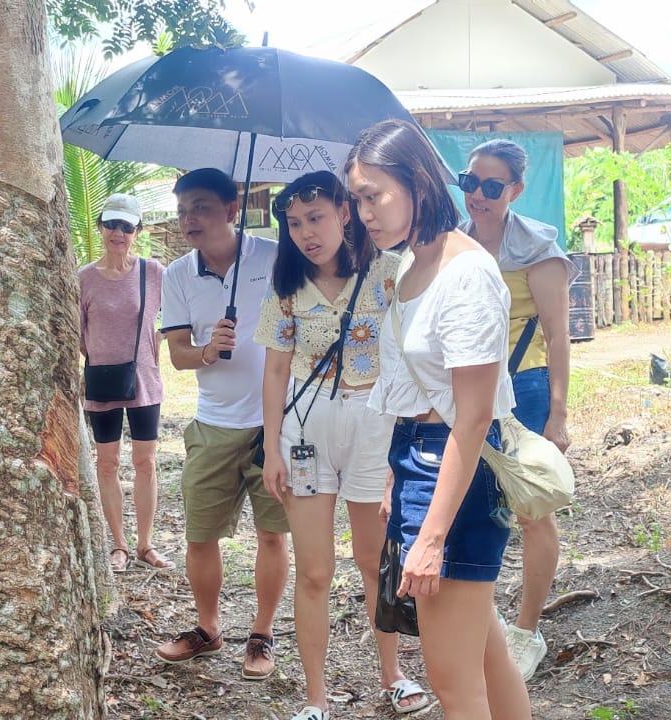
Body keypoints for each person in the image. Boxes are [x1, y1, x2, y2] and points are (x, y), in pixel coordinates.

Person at [350, 119, 532, 719]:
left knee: (452, 681)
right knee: (484, 652)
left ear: (416, 183)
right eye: (357, 198)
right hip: (418, 459)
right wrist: (392, 480)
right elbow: (413, 388)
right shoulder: (408, 265)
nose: (363, 213)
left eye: (373, 196)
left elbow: (474, 418)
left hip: (456, 467)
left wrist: (428, 538)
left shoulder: (467, 273)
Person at [252, 171, 427, 720]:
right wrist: (273, 451)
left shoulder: (387, 272)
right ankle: (315, 698)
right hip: (305, 432)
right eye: (296, 223)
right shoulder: (285, 288)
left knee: (375, 559)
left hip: (374, 423)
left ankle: (393, 675)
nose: (308, 233)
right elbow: (275, 372)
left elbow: (412, 351)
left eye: (318, 217)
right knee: (314, 570)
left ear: (345, 214)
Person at [156, 167, 290, 681]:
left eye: (201, 208)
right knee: (200, 535)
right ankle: (208, 629)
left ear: (232, 211)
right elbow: (178, 355)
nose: (188, 218)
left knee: (273, 535)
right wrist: (208, 351)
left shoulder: (274, 255)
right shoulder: (177, 275)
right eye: (183, 208)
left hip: (275, 424)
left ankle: (262, 633)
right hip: (213, 424)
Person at [458, 139, 578, 681]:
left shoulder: (538, 250)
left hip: (523, 386)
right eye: (471, 183)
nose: (478, 196)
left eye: (491, 187)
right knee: (466, 506)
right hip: (464, 388)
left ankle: (527, 630)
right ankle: (474, 626)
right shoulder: (452, 244)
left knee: (530, 509)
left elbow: (557, 337)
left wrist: (558, 415)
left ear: (515, 191)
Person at [81, 193, 172, 572]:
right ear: (101, 226)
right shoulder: (83, 278)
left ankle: (145, 544)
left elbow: (178, 317)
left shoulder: (153, 273)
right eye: (111, 224)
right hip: (102, 381)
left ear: (138, 231)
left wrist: (157, 342)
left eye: (126, 226)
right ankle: (117, 544)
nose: (118, 233)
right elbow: (76, 332)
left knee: (145, 462)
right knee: (107, 463)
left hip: (144, 381)